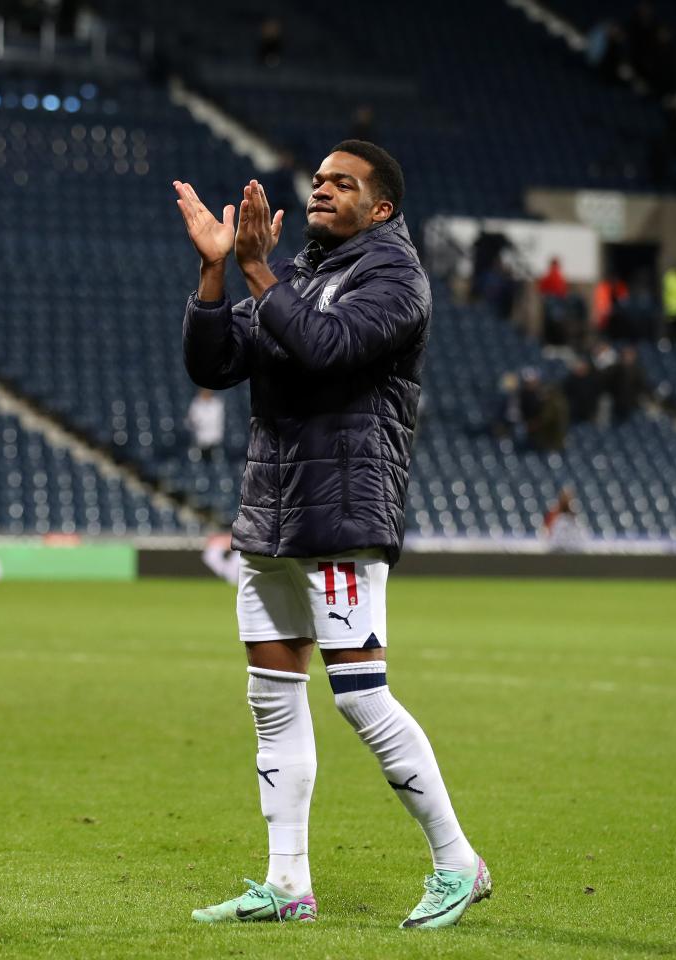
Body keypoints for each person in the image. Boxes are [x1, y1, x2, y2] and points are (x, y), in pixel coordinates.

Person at [174, 140, 489, 930]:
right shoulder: (302, 275)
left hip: (343, 512)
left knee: (361, 698)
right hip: (272, 516)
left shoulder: (395, 278)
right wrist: (216, 271)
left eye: (340, 183)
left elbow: (326, 348)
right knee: (272, 701)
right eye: (316, 180)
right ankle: (287, 885)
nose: (320, 190)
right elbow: (214, 366)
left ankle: (459, 862)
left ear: (380, 207)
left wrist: (257, 272)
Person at [185, 387, 225, 461]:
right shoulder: (195, 403)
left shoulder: (217, 403)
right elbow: (191, 420)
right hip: (199, 439)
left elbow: (217, 420)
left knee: (215, 458)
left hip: (214, 438)